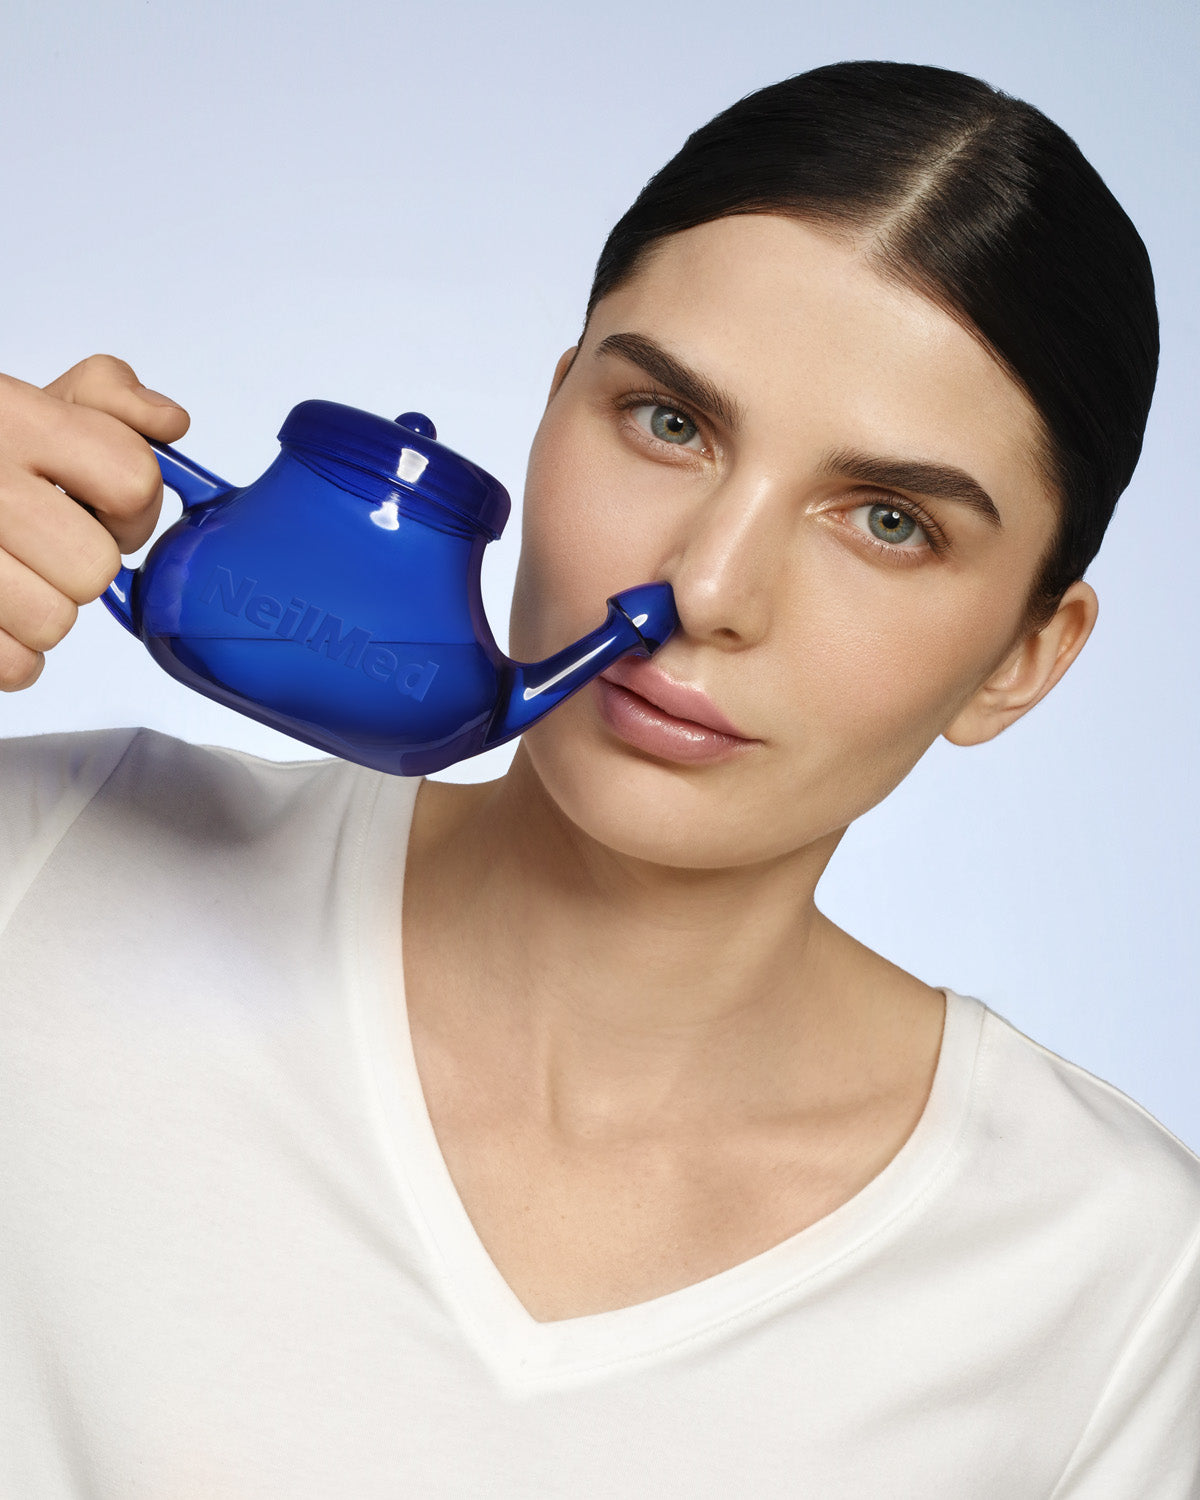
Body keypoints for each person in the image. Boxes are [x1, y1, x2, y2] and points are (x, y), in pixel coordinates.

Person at [1, 59, 1196, 1499]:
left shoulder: (1121, 1282)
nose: (703, 587)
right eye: (671, 423)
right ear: (556, 404)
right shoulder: (43, 869)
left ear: (1026, 655)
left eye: (887, 519)